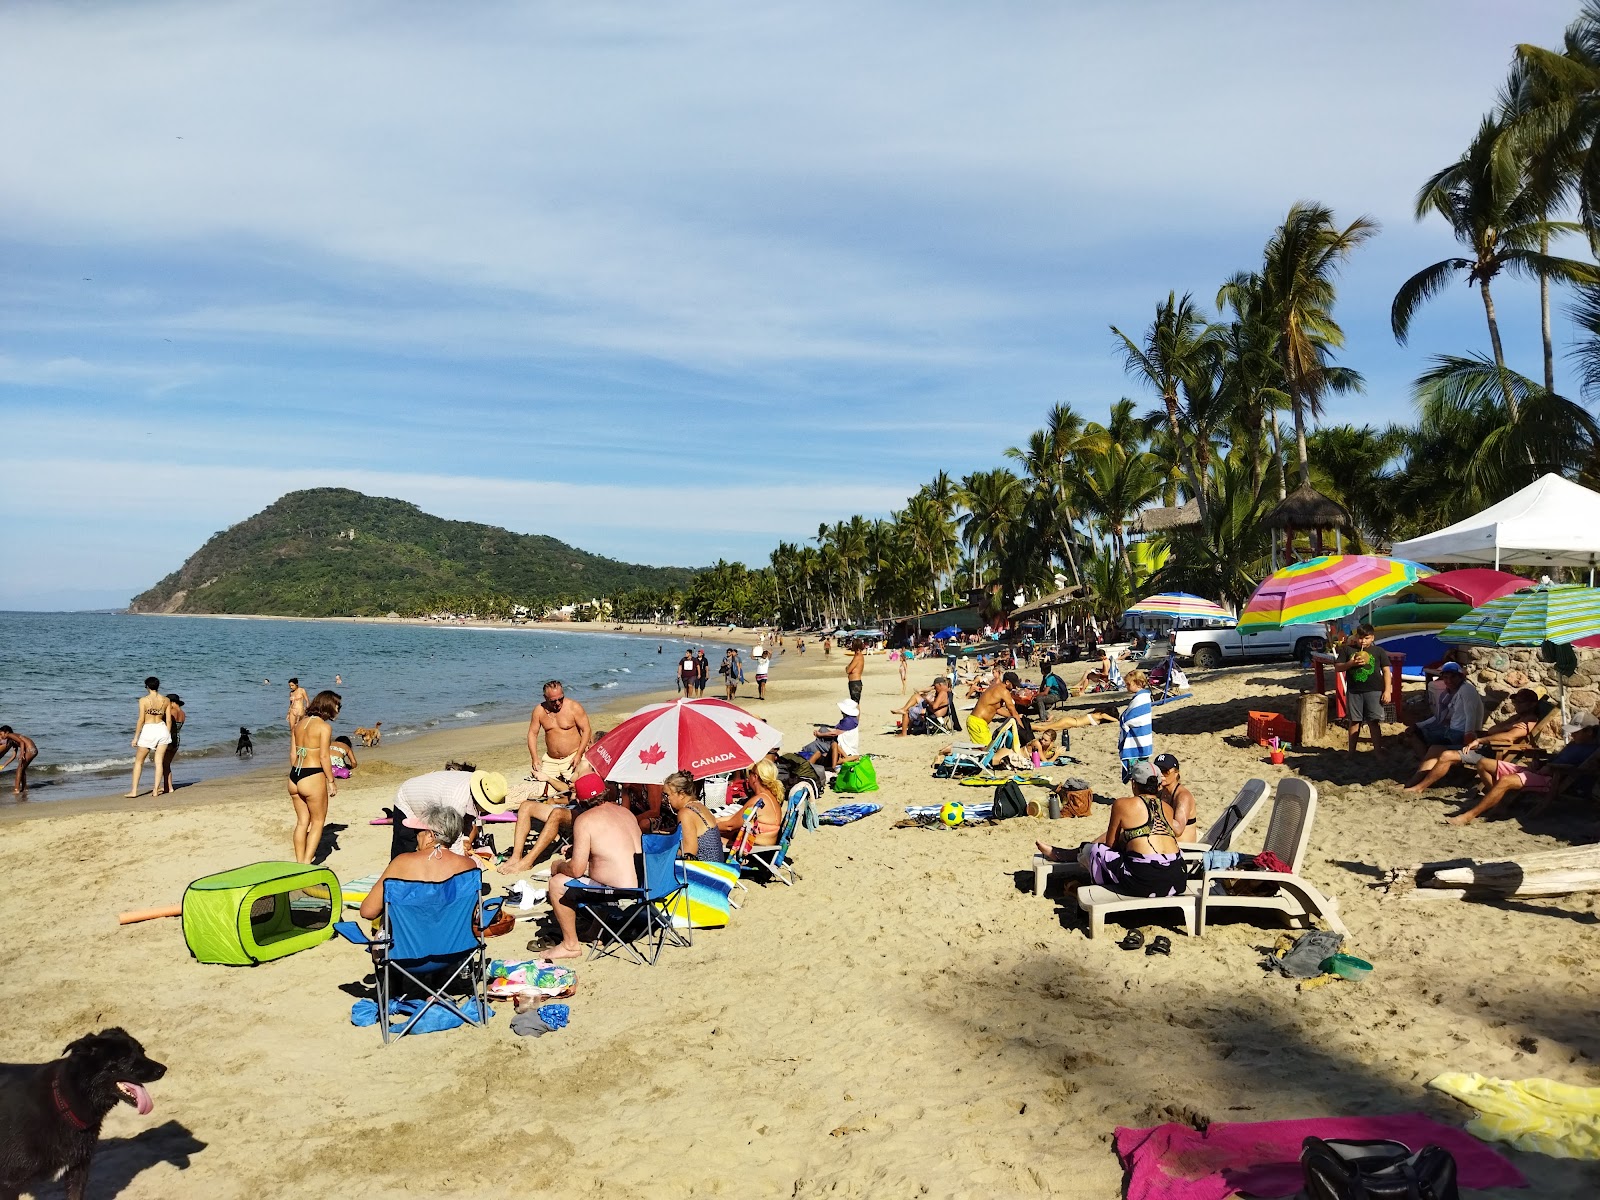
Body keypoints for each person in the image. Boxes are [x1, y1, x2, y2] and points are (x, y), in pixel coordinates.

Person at [1034, 762, 1186, 898]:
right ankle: (1067, 855)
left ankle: (1084, 874)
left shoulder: (1122, 804)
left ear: (1134, 784)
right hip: (1176, 879)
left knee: (1094, 851)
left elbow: (1110, 844)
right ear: (1158, 785)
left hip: (1143, 881)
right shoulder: (1166, 808)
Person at [544, 775, 644, 959]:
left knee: (557, 883)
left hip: (618, 889)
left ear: (580, 800)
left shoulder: (585, 820)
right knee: (598, 873)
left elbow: (576, 870)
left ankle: (570, 945)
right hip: (644, 884)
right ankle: (594, 932)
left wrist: (558, 865)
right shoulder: (625, 812)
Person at [1404, 688, 1556, 794]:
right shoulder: (1516, 718)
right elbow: (1492, 730)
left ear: (1532, 704)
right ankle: (1413, 781)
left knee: (1446, 755)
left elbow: (1509, 737)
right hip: (1487, 747)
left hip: (1493, 752)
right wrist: (1508, 725)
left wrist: (1481, 740)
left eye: (1520, 702)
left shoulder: (1529, 720)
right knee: (1435, 748)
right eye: (1516, 702)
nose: (1516, 705)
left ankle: (1420, 788)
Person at [1448, 724, 1600, 825]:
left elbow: (1579, 771)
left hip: (1553, 779)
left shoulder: (1592, 751)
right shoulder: (1574, 744)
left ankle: (1469, 816)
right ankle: (1499, 804)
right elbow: (1556, 758)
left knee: (1506, 781)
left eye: (1576, 732)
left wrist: (1551, 768)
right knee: (1483, 763)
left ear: (1589, 731)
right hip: (1541, 772)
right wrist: (1539, 762)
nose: (1572, 735)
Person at [358, 803, 480, 922]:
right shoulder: (468, 865)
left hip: (409, 940)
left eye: (417, 831)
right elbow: (472, 912)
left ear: (431, 835)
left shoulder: (402, 862)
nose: (415, 836)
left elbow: (368, 911)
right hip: (455, 940)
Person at [388, 767, 509, 858]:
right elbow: (450, 838)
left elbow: (469, 818)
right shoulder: (455, 801)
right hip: (408, 799)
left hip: (435, 802)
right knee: (405, 848)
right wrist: (460, 860)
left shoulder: (476, 786)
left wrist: (465, 839)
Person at [288, 689, 340, 863]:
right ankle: (306, 865)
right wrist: (331, 780)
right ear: (328, 706)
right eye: (337, 706)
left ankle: (298, 862)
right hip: (312, 775)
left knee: (302, 822)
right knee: (318, 822)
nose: (338, 710)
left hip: (295, 776)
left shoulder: (299, 724)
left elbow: (293, 755)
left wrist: (297, 773)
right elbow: (324, 756)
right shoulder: (324, 727)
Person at [527, 679, 592, 795]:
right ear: (545, 698)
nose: (557, 703)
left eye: (560, 699)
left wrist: (579, 754)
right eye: (553, 701)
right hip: (550, 760)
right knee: (542, 791)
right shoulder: (539, 711)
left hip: (572, 757)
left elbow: (586, 730)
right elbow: (532, 734)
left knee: (581, 787)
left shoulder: (574, 707)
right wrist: (535, 758)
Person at [1332, 625, 1390, 752]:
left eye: (1367, 638)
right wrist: (1351, 663)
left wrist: (1387, 690)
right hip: (1354, 691)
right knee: (1354, 722)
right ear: (1356, 637)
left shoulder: (1378, 651)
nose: (1363, 641)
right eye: (1360, 638)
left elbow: (1386, 671)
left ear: (1372, 638)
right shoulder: (1347, 650)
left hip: (1374, 691)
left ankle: (1377, 751)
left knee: (1373, 722)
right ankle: (1351, 752)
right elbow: (1338, 667)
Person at [1409, 663, 1484, 756]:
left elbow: (1471, 714)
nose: (1449, 681)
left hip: (1459, 734)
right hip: (1453, 731)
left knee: (1415, 735)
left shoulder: (1466, 689)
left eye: (1453, 677)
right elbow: (1439, 716)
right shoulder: (1450, 693)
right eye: (1446, 677)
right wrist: (1418, 725)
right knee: (1416, 731)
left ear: (1460, 677)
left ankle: (1424, 761)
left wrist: (1468, 736)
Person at [716, 759, 787, 846]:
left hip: (753, 849)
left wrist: (708, 827)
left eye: (749, 773)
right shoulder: (772, 797)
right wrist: (714, 820)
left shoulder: (758, 801)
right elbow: (736, 818)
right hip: (765, 847)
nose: (747, 777)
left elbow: (730, 826)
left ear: (755, 777)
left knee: (708, 837)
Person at [126, 676, 172, 798]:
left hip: (149, 729)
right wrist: (166, 734)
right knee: (159, 762)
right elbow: (168, 720)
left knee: (139, 762)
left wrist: (136, 737)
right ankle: (155, 790)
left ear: (147, 687)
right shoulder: (166, 700)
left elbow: (141, 719)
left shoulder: (143, 700)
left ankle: (134, 791)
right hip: (162, 729)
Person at [664, 771, 724, 860]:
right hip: (716, 866)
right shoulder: (699, 806)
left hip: (703, 870)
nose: (665, 799)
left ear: (681, 794)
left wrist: (663, 846)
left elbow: (689, 853)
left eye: (667, 795)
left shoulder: (685, 813)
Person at [800, 700, 860, 769]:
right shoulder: (853, 719)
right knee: (823, 729)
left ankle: (814, 748)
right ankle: (822, 745)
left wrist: (820, 735)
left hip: (842, 747)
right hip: (839, 743)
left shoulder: (848, 721)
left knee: (814, 744)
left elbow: (834, 733)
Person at [967, 672, 1022, 748]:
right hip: (977, 723)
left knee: (986, 748)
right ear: (1007, 682)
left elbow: (997, 709)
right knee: (988, 750)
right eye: (1013, 685)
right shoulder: (1004, 691)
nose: (1014, 687)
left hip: (977, 722)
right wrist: (1022, 729)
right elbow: (1013, 710)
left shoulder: (995, 687)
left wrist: (1014, 716)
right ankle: (950, 750)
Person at [1152, 752, 1198, 842]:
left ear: (1176, 773)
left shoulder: (1183, 796)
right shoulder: (1161, 792)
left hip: (1185, 849)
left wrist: (1159, 810)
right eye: (1157, 770)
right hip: (1168, 846)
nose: (1160, 774)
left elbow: (1178, 830)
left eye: (1165, 772)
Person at [1117, 670, 1153, 782]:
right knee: (1141, 768)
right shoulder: (1142, 696)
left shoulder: (1141, 698)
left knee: (1137, 770)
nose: (1127, 687)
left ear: (1137, 683)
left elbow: (1134, 718)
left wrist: (1123, 720)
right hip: (1142, 736)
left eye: (1128, 684)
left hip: (1138, 737)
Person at [159, 693, 186, 795]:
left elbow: (166, 722)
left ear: (172, 702)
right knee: (167, 764)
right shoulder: (182, 713)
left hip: (169, 739)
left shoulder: (171, 712)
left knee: (164, 764)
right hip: (177, 739)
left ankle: (168, 787)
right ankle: (168, 786)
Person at [0, 726, 38, 795]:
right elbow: (13, 756)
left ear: (6, 732)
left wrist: (22, 752)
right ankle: (24, 788)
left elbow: (21, 742)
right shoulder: (12, 741)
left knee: (19, 770)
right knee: (22, 770)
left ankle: (16, 789)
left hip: (30, 749)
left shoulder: (10, 735)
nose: (1, 736)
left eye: (1, 734)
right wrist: (4, 765)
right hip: (33, 750)